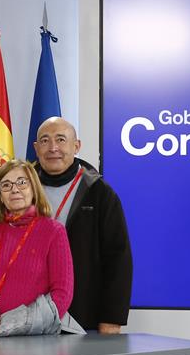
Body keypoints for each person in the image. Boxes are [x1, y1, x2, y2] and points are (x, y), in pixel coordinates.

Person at [33, 117, 132, 334]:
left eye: (61, 140)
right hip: (29, 313)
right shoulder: (20, 190)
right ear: (36, 147)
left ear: (76, 146)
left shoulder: (100, 193)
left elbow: (118, 259)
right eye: (45, 141)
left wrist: (112, 319)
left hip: (84, 314)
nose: (53, 148)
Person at [0, 160, 74, 336]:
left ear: (34, 189)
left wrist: (17, 323)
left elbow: (62, 294)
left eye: (22, 182)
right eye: (6, 185)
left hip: (38, 336)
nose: (15, 189)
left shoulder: (54, 231)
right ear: (0, 195)